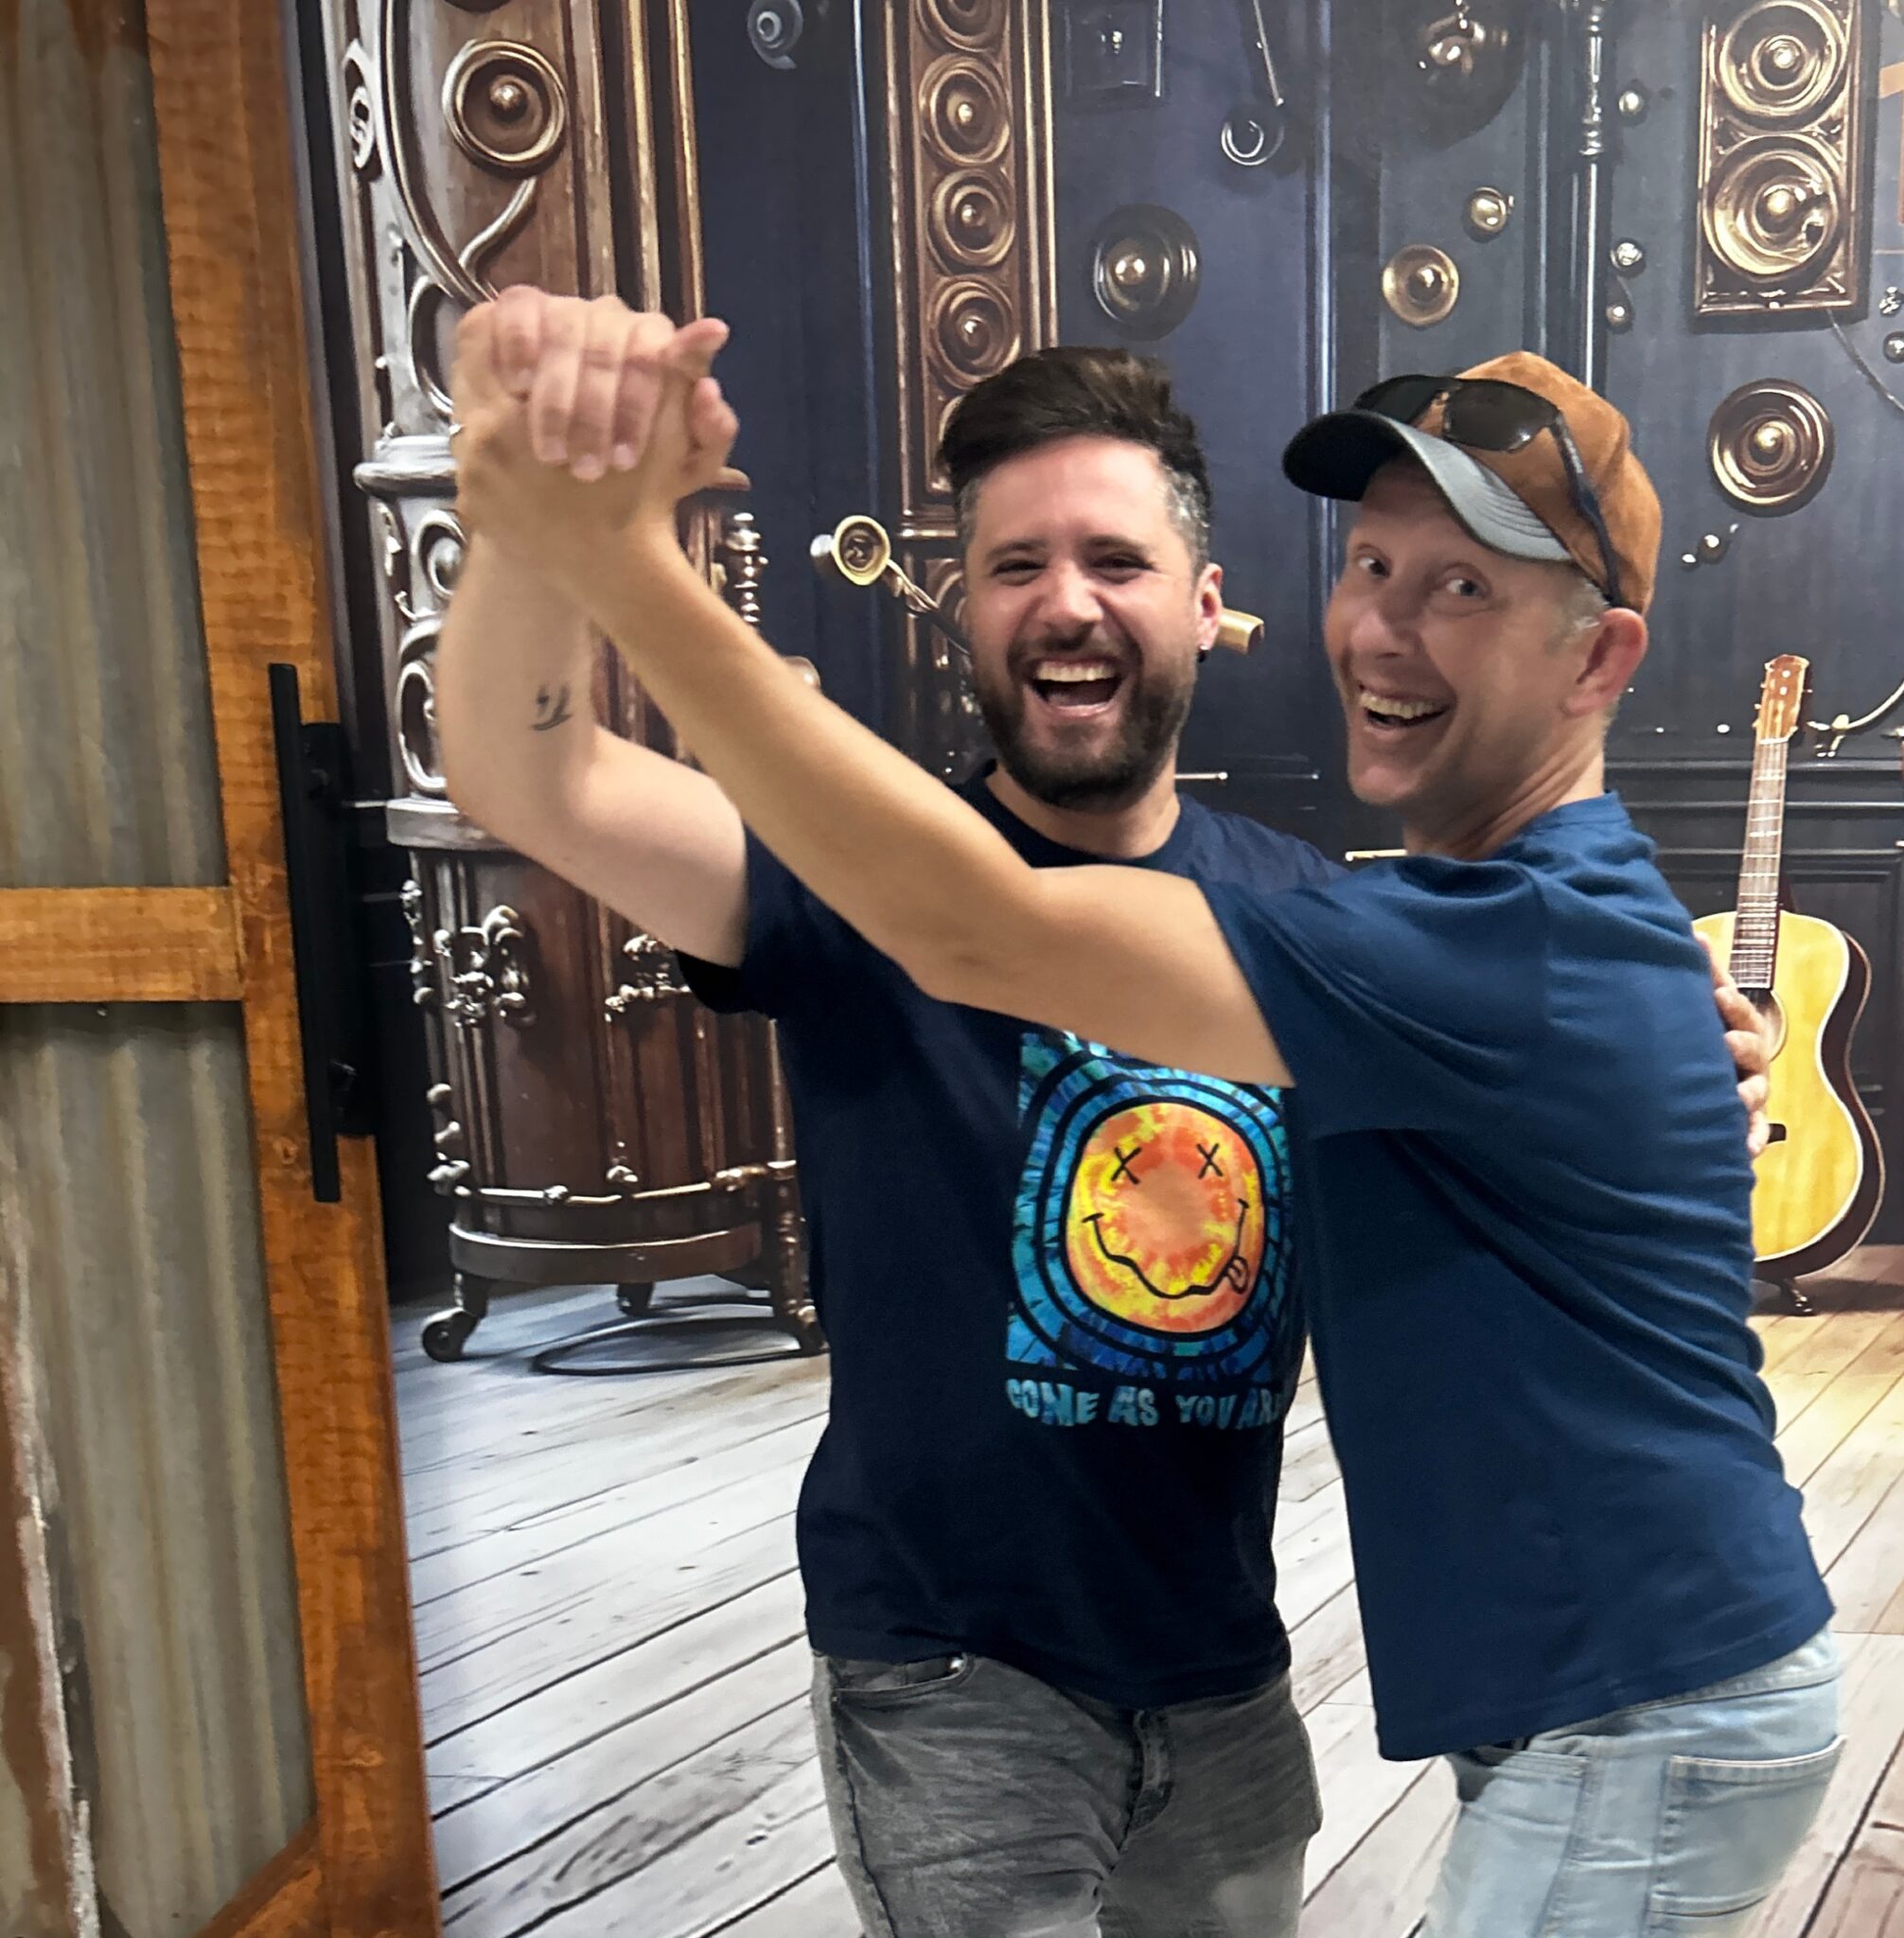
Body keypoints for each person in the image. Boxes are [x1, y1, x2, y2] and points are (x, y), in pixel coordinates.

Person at [439, 296, 1778, 1938]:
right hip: (957, 1677)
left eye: (1117, 560)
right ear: (964, 608)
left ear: (1209, 607)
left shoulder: (1310, 914)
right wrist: (529, 520)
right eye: (1016, 565)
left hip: (1223, 1674)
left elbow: (1511, 1066)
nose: (1067, 601)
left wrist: (1657, 1062)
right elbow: (533, 778)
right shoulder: (852, 877)